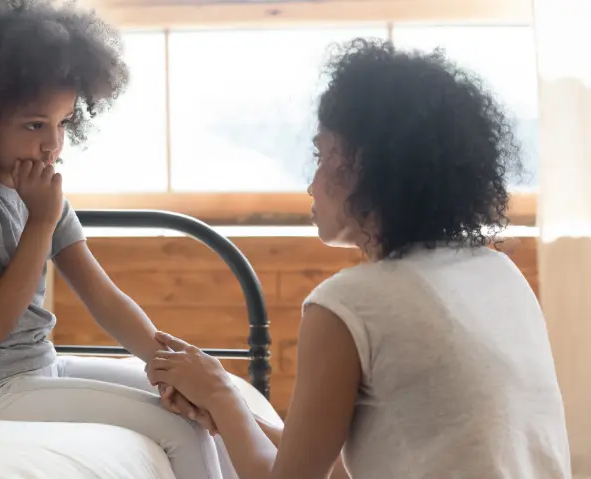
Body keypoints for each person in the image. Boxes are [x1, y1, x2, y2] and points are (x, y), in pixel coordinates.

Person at [147, 38, 572, 478]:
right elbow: (351, 461)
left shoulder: (349, 304)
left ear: (366, 167)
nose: (311, 183)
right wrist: (230, 412)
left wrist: (219, 393)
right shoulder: (498, 272)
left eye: (322, 154)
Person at [0, 1, 228, 478]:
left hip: (37, 367)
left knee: (192, 405)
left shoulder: (40, 192)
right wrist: (40, 223)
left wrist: (167, 362)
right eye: (35, 125)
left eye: (64, 122)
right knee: (179, 429)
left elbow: (101, 295)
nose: (53, 144)